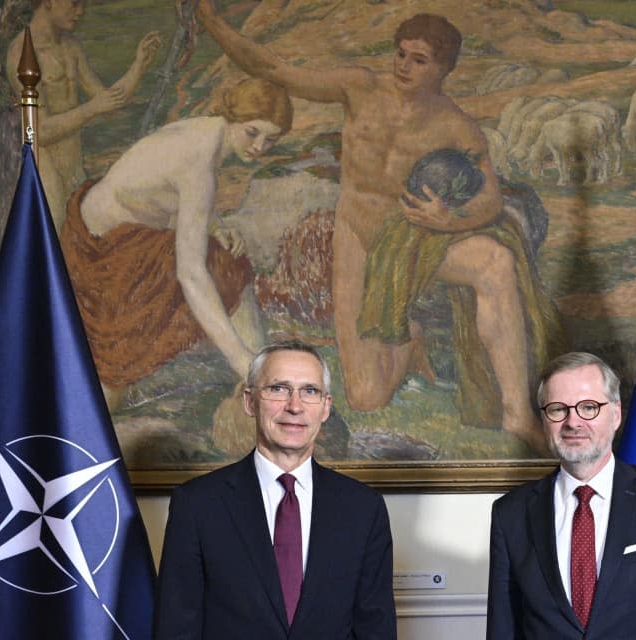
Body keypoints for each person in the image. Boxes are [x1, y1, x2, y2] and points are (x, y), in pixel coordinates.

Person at [195, 2, 563, 454]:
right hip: (359, 240)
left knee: (497, 262)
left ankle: (516, 413)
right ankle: (410, 343)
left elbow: (489, 199)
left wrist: (451, 220)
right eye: (401, 53)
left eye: (419, 60)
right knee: (367, 398)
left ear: (443, 69)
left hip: (415, 239)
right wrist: (210, 21)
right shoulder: (359, 88)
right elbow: (274, 68)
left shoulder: (455, 125)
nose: (404, 65)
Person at [59, 77, 292, 410]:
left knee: (108, 390)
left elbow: (162, 191)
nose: (258, 147)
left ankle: (258, 372)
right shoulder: (199, 165)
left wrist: (215, 224)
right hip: (107, 254)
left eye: (270, 140)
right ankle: (254, 368)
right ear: (232, 115)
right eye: (252, 132)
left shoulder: (202, 130)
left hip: (98, 232)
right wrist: (239, 359)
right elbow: (191, 274)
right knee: (226, 268)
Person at [154, 339, 397, 639]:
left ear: (325, 408)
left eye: (310, 391)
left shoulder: (364, 509)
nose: (294, 406)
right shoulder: (197, 505)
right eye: (278, 389)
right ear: (249, 401)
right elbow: (176, 629)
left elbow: (376, 628)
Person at [486, 352, 636, 639]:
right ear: (545, 420)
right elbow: (502, 630)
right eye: (558, 409)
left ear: (616, 414)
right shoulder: (510, 513)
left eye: (588, 407)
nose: (573, 422)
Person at [6, 0, 160, 231]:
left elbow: (108, 102)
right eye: (75, 4)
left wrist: (138, 66)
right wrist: (92, 108)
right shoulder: (22, 53)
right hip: (45, 175)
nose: (80, 12)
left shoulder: (70, 47)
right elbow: (40, 132)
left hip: (75, 169)